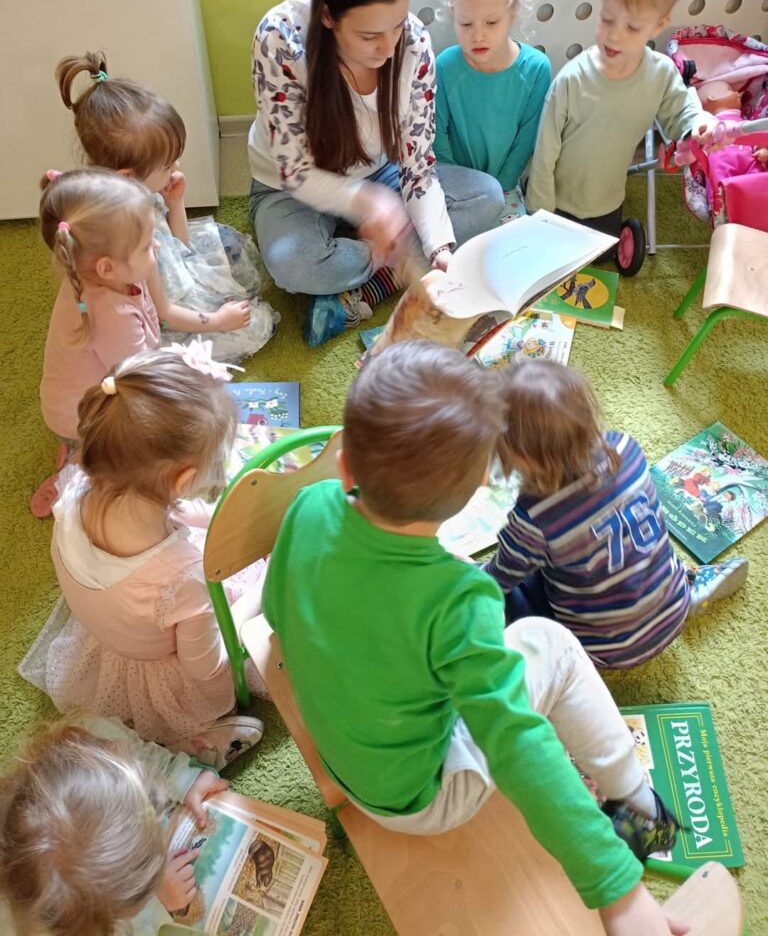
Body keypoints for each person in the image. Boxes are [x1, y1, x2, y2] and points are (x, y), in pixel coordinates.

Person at [262, 341, 688, 935]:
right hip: (425, 799)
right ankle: (639, 802)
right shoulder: (461, 599)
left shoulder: (309, 505)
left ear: (345, 466)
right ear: (480, 488)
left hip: (344, 756)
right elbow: (519, 747)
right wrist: (615, 888)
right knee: (549, 642)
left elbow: (274, 609)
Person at [248, 0, 504, 347]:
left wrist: (440, 251)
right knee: (293, 264)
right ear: (328, 16)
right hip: (289, 189)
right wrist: (372, 206)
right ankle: (382, 264)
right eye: (369, 36)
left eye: (397, 25)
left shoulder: (414, 44)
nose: (388, 48)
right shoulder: (280, 40)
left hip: (379, 173)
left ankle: (369, 280)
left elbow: (418, 168)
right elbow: (295, 172)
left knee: (488, 197)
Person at [20, 347, 264, 764]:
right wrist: (263, 588)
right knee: (262, 592)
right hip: (163, 668)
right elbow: (207, 669)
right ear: (184, 479)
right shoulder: (185, 578)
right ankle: (192, 742)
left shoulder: (75, 491)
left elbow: (176, 511)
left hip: (108, 630)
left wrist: (213, 516)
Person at [486, 359, 749, 666]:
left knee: (514, 591)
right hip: (672, 609)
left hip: (602, 649)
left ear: (516, 453)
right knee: (630, 544)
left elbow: (498, 580)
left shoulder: (531, 517)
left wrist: (468, 574)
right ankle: (687, 587)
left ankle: (564, 657)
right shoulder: (627, 447)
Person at [31, 169, 254, 518]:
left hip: (96, 388)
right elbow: (141, 384)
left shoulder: (106, 273)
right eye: (148, 245)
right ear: (107, 268)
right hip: (84, 415)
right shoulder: (113, 315)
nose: (158, 247)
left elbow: (155, 322)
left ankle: (78, 447)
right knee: (143, 457)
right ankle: (78, 467)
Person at [56, 51, 278, 361]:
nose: (176, 167)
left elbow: (179, 247)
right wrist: (217, 321)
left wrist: (175, 202)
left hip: (173, 274)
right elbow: (164, 314)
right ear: (128, 176)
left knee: (232, 248)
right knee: (255, 325)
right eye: (167, 164)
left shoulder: (137, 194)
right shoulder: (127, 239)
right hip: (168, 316)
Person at [526, 0, 718, 238]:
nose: (614, 36)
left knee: (601, 255)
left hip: (607, 201)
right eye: (607, 19)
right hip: (559, 201)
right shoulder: (572, 80)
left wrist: (699, 123)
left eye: (632, 27)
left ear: (659, 24)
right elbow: (544, 152)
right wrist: (539, 211)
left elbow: (682, 112)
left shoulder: (660, 74)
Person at [0, 713, 230, 935]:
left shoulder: (94, 746)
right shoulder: (50, 923)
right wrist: (159, 906)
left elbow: (146, 758)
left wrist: (187, 779)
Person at [435, 0, 550, 217]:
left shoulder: (536, 70)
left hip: (505, 187)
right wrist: (459, 185)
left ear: (513, 13)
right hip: (453, 188)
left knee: (512, 243)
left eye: (491, 22)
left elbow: (525, 143)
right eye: (466, 23)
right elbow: (437, 136)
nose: (478, 35)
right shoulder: (445, 66)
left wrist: (500, 185)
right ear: (453, 15)